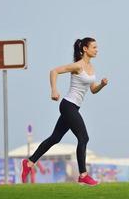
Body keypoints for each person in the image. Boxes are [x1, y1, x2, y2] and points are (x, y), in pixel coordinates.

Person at [21, 37, 108, 186]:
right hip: (68, 105)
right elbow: (54, 71)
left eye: (97, 47)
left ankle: (29, 163)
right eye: (94, 47)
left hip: (74, 107)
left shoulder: (91, 68)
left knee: (55, 138)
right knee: (84, 138)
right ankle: (83, 174)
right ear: (85, 49)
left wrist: (101, 84)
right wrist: (54, 90)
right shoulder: (77, 66)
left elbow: (93, 90)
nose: (97, 50)